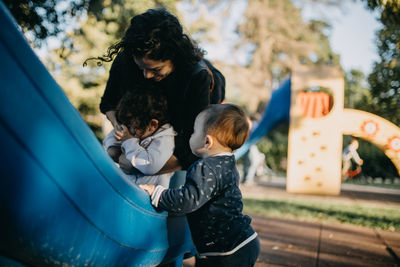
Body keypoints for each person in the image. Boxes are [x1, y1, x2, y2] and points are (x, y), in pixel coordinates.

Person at [85, 8, 225, 175]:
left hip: (191, 121)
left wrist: (142, 167)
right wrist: (121, 128)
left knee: (174, 185)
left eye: (156, 70)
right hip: (156, 120)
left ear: (174, 57)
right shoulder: (126, 59)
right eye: (141, 68)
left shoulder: (196, 77)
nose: (147, 75)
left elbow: (195, 146)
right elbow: (108, 102)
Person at [140, 104, 260, 267]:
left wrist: (159, 193)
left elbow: (188, 200)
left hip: (225, 251)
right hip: (243, 241)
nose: (191, 134)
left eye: (194, 131)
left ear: (207, 141)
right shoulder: (229, 163)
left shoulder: (205, 167)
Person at [103, 87, 175, 187]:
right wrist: (112, 147)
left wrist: (129, 142)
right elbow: (112, 135)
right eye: (128, 126)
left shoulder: (165, 139)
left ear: (153, 124)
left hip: (148, 196)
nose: (131, 131)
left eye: (136, 127)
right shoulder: (133, 127)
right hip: (127, 187)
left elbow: (149, 165)